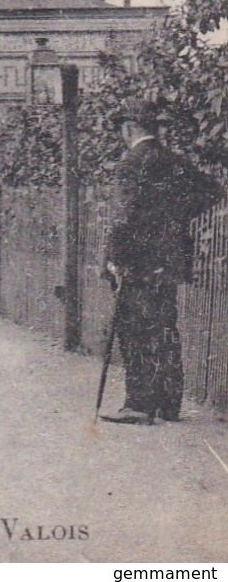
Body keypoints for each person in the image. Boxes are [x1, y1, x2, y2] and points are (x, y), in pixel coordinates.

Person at [102, 98, 223, 424]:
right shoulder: (174, 161)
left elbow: (123, 218)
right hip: (169, 259)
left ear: (129, 129)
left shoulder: (130, 162)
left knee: (134, 329)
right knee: (164, 328)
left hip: (138, 261)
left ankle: (138, 405)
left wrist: (113, 259)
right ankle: (168, 406)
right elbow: (213, 191)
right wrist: (175, 220)